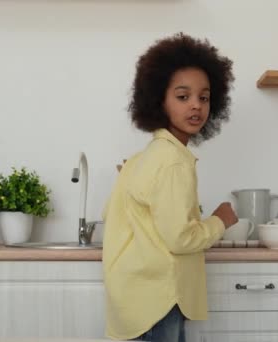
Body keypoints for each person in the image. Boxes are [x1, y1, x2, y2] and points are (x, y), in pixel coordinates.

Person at [102, 32, 238, 342]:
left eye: (203, 97)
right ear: (158, 101)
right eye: (182, 96)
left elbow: (113, 213)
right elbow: (180, 239)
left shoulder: (145, 157)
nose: (196, 106)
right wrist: (221, 220)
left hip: (134, 300)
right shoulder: (174, 161)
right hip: (159, 300)